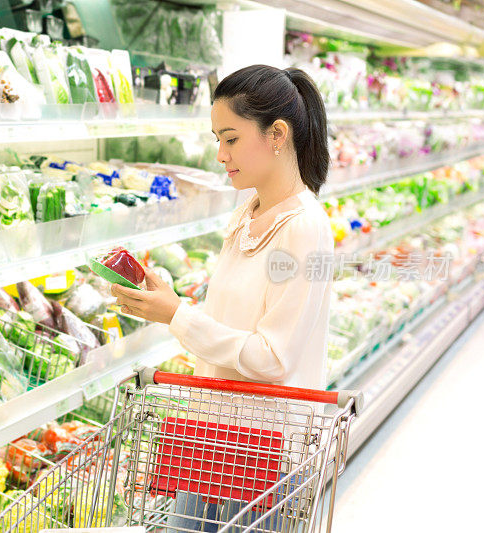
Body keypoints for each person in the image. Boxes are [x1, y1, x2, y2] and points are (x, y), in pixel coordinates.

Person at [111, 64, 334, 532]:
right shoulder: (248, 212)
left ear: (277, 134)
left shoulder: (303, 229)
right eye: (217, 139)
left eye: (230, 139)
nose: (219, 154)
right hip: (215, 434)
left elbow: (272, 358)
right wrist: (169, 303)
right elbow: (229, 322)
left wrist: (178, 317)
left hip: (263, 454)